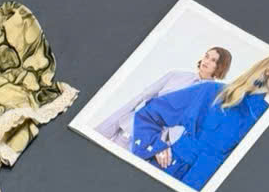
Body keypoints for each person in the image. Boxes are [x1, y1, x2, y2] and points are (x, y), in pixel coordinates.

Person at [131, 55, 269, 191]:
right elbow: (149, 114)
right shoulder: (212, 92)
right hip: (168, 170)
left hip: (210, 190)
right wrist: (156, 145)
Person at [95, 46, 232, 147]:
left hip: (156, 146)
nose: (206, 61)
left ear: (220, 67)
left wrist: (165, 145)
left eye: (213, 60)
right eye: (206, 56)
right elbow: (140, 98)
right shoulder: (176, 75)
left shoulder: (213, 97)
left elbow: (194, 127)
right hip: (131, 131)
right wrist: (105, 129)